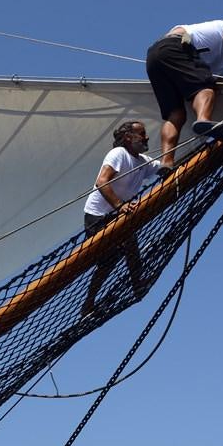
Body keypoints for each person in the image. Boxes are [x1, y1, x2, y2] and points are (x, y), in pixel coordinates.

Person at [145, 20, 223, 170]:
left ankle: (166, 162)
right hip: (175, 46)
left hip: (154, 58)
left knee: (176, 114)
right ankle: (203, 121)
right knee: (206, 89)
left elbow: (219, 85)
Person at [81, 120, 152, 315]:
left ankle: (137, 283)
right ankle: (89, 303)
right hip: (98, 216)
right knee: (109, 260)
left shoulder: (143, 161)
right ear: (128, 137)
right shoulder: (119, 154)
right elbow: (102, 182)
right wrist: (120, 206)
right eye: (142, 134)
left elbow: (162, 166)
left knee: (130, 246)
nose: (146, 137)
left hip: (119, 215)